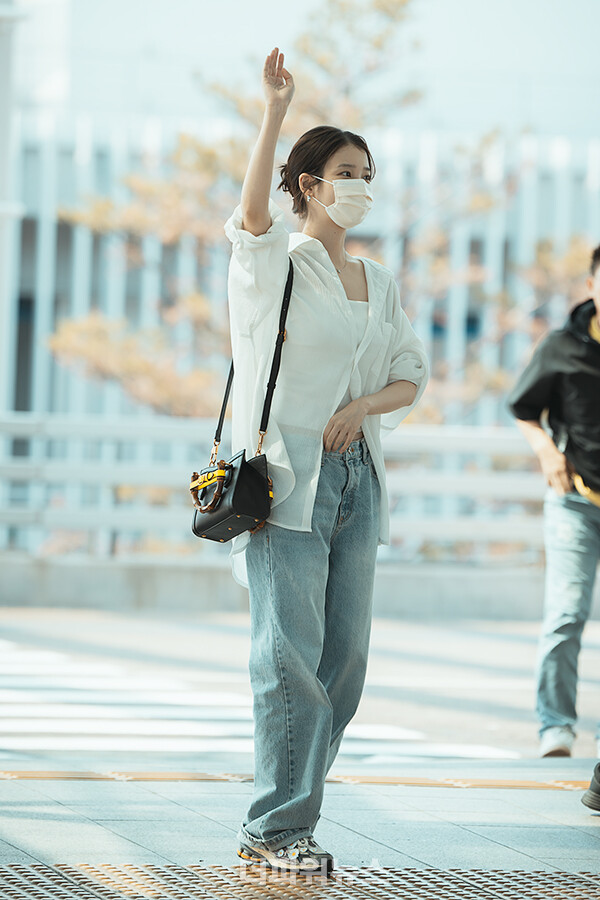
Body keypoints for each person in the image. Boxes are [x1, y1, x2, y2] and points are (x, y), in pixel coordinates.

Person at [224, 48, 428, 874]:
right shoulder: (279, 265)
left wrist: (363, 406)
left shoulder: (377, 279)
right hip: (287, 481)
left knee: (343, 664)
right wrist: (275, 113)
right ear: (310, 184)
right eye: (347, 171)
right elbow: (248, 225)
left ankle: (292, 817)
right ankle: (275, 831)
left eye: (367, 172)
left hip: (360, 482)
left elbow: (410, 374)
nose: (362, 184)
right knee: (287, 662)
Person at [508, 245, 600, 759]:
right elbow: (524, 408)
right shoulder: (562, 347)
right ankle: (556, 725)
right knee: (566, 613)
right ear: (591, 286)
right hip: (576, 502)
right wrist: (546, 450)